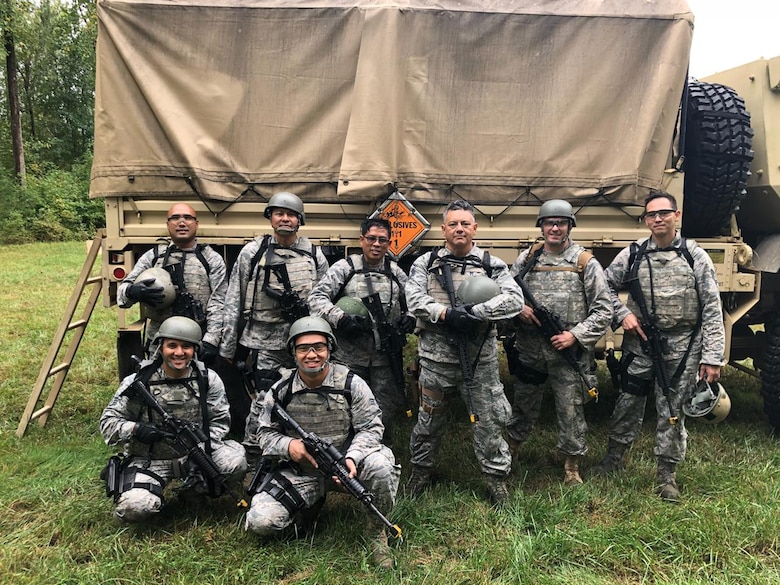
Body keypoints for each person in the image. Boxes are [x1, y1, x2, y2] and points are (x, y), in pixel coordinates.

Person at [593, 190, 725, 502]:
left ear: (676, 216)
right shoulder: (633, 254)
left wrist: (712, 357)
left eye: (663, 213)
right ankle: (614, 459)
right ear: (646, 220)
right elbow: (604, 285)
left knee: (672, 411)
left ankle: (667, 476)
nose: (657, 219)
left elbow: (712, 308)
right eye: (651, 215)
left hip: (682, 347)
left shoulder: (695, 257)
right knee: (627, 402)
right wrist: (623, 313)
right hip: (639, 345)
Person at [243, 316, 400, 569]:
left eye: (319, 347)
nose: (312, 355)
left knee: (382, 465)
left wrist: (352, 457)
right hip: (300, 471)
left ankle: (376, 533)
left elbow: (371, 427)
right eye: (303, 348)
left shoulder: (350, 384)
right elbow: (263, 434)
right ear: (293, 353)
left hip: (346, 466)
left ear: (330, 349)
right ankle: (306, 508)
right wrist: (289, 447)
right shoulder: (280, 391)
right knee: (262, 522)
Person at [404, 199, 524, 504]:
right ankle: (420, 473)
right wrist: (445, 315)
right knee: (428, 422)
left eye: (465, 223)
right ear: (443, 229)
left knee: (489, 423)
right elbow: (414, 299)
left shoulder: (490, 264)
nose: (459, 228)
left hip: (479, 361)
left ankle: (496, 479)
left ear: (475, 228)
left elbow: (514, 300)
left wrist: (476, 312)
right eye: (453, 224)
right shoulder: (425, 263)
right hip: (436, 362)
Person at [505, 200, 613, 485]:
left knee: (571, 410)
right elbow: (507, 292)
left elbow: (604, 309)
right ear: (541, 226)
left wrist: (574, 335)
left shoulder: (584, 263)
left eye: (561, 223)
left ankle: (571, 466)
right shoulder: (528, 259)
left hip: (567, 353)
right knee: (524, 404)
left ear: (569, 226)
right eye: (549, 222)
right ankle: (510, 452)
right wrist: (520, 309)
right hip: (530, 350)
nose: (554, 228)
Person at [100, 316, 248, 524]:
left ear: (195, 350)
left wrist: (203, 452)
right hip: (149, 460)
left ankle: (193, 491)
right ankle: (150, 496)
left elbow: (219, 423)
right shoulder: (138, 382)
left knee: (235, 463)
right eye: (172, 346)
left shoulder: (208, 379)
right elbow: (108, 423)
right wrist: (136, 429)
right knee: (135, 508)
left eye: (186, 347)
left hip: (193, 454)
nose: (179, 353)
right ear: (160, 347)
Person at [308, 217, 415, 446]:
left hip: (385, 357)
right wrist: (340, 318)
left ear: (389, 243)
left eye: (382, 240)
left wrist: (410, 318)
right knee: (345, 403)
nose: (376, 244)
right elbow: (316, 298)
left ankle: (379, 451)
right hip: (349, 355)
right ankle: (344, 451)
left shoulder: (395, 272)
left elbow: (415, 302)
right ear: (362, 240)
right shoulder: (345, 268)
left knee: (385, 406)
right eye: (371, 239)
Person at [219, 192, 327, 399]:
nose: (285, 219)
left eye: (291, 215)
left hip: (302, 340)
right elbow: (234, 299)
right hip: (263, 341)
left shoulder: (314, 254)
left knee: (304, 394)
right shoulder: (252, 252)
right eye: (279, 213)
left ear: (299, 220)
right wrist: (228, 346)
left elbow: (323, 299)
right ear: (271, 217)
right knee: (265, 397)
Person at [117, 203, 227, 365]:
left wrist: (211, 340)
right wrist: (132, 291)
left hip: (196, 339)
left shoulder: (210, 259)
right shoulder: (153, 257)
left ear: (196, 224)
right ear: (167, 225)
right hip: (159, 340)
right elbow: (122, 297)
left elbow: (219, 302)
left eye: (188, 218)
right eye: (175, 218)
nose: (182, 223)